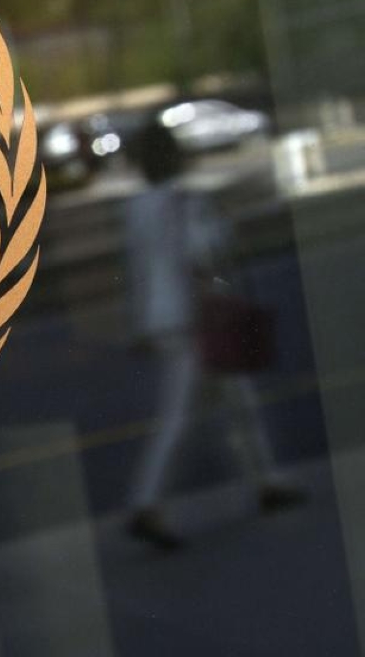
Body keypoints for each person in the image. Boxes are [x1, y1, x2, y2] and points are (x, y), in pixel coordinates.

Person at [125, 117, 302, 550]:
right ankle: (147, 502)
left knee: (235, 399)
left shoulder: (137, 207)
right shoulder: (187, 201)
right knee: (186, 414)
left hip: (163, 318)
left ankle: (266, 481)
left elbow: (138, 270)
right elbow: (202, 253)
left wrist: (140, 324)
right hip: (196, 316)